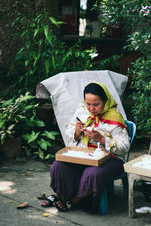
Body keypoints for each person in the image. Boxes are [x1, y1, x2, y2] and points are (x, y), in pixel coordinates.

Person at [41, 82, 130, 213]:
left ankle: (77, 200)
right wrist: (77, 131)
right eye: (88, 103)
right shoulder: (82, 110)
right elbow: (69, 132)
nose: (91, 108)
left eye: (96, 104)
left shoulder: (114, 116)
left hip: (110, 159)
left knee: (92, 173)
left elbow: (125, 146)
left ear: (105, 101)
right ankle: (60, 194)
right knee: (59, 166)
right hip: (84, 155)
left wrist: (101, 139)